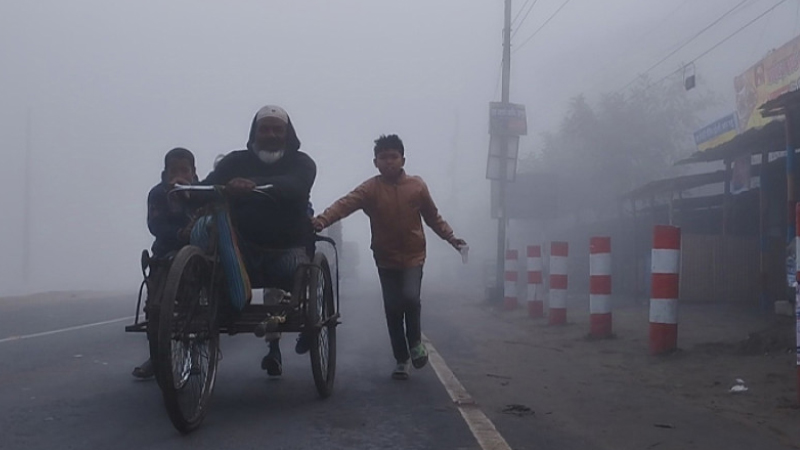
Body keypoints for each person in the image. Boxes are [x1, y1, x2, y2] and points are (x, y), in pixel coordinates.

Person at [312, 134, 466, 380]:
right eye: (383, 158)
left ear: (403, 159)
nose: (389, 162)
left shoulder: (417, 187)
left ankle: (415, 344)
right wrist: (321, 220)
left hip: (415, 255)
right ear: (376, 162)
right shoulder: (370, 189)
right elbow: (345, 204)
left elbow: (433, 217)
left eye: (393, 157)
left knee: (411, 299)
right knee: (393, 307)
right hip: (385, 258)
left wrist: (452, 238)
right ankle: (401, 359)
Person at [201, 105, 316, 377]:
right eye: (265, 128)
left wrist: (251, 183)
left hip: (288, 251)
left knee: (297, 276)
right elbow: (209, 186)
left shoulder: (302, 163)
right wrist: (182, 192)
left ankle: (303, 327)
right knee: (208, 259)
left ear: (288, 134)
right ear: (255, 132)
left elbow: (295, 186)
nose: (271, 134)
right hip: (242, 254)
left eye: (278, 129)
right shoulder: (233, 162)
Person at [132, 147, 198, 379]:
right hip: (166, 254)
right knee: (156, 306)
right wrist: (179, 233)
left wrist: (189, 200)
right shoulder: (158, 194)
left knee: (196, 303)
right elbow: (155, 226)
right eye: (174, 170)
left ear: (193, 173)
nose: (178, 174)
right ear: (165, 173)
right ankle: (157, 357)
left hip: (199, 255)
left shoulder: (202, 192)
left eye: (184, 170)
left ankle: (196, 351)